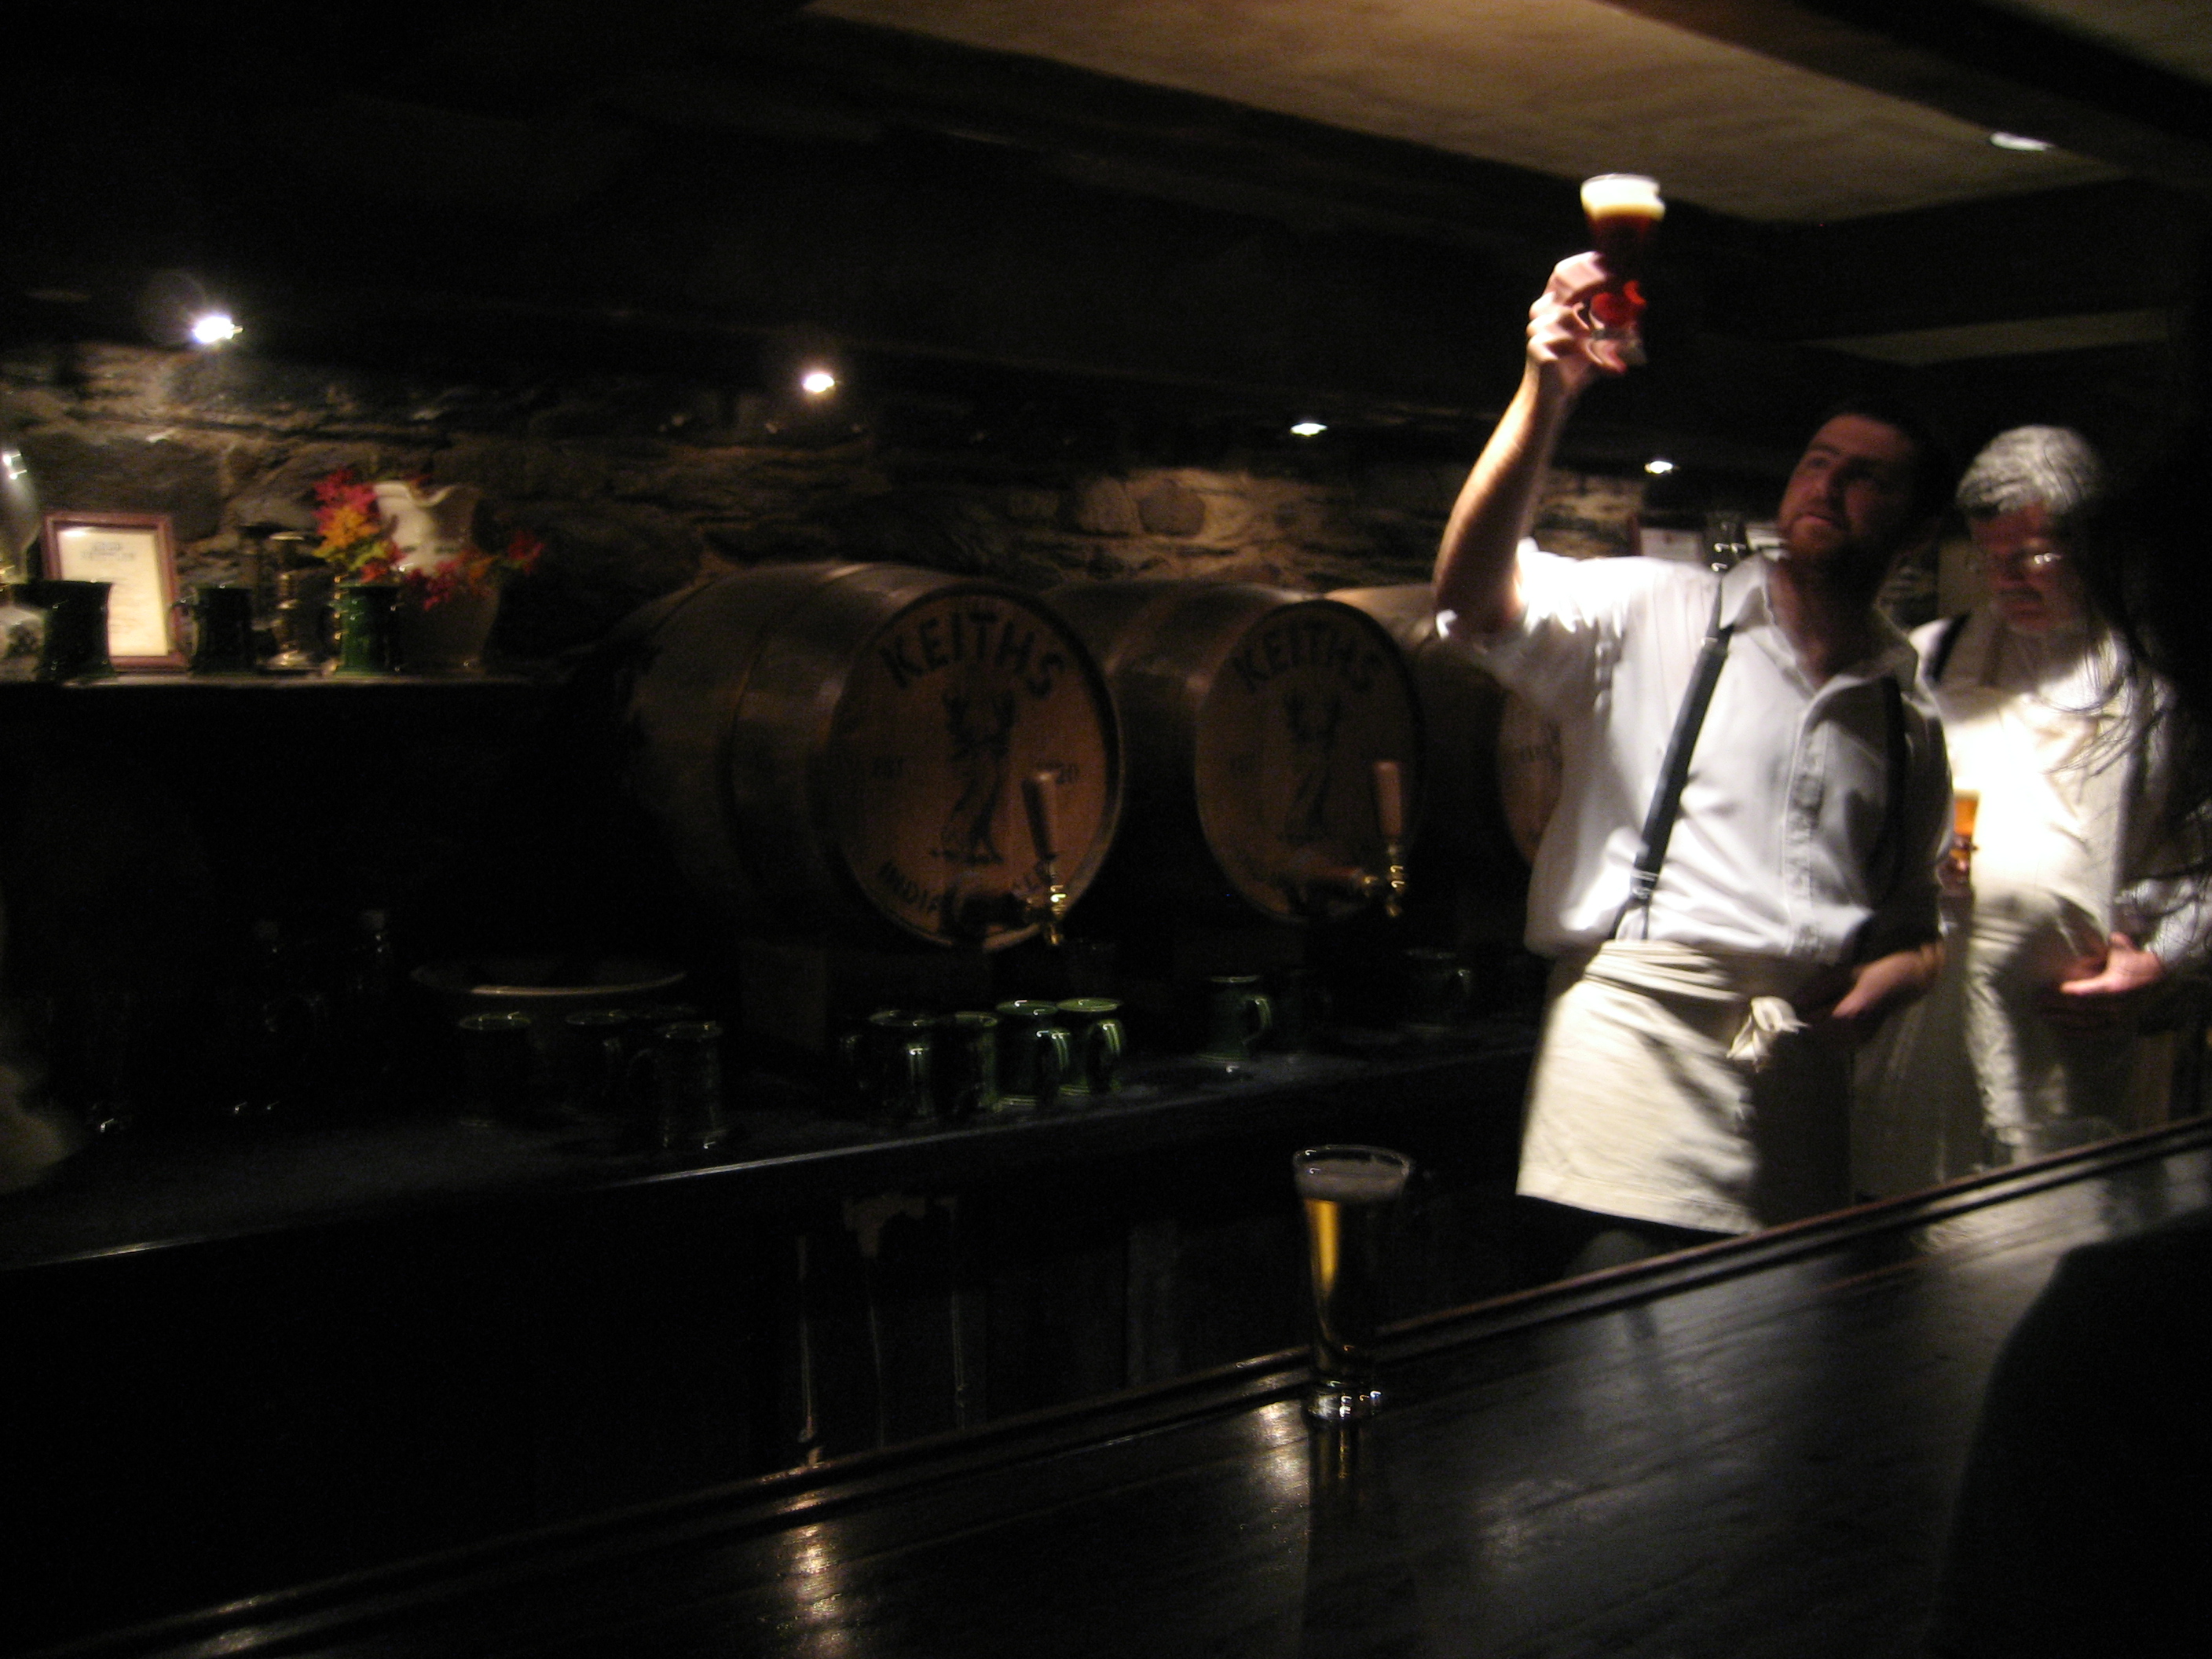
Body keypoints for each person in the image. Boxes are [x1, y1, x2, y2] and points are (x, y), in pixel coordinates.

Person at [1433, 252, 1954, 1274]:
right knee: (1620, 1349)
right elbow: (1468, 601)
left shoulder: (1907, 713)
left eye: (1866, 478)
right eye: (1817, 461)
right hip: (1630, 1064)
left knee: (1772, 1367)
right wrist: (1545, 395)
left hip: (1795, 1092)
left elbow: (1913, 925)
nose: (1826, 484)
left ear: (1917, 528)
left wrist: (1899, 974)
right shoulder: (1651, 610)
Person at [1854, 427, 2207, 1196]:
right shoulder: (1932, 656)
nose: (2004, 580)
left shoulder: (2157, 679)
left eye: (2030, 556)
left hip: (2067, 1031)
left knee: (2048, 1218)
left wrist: (2162, 960)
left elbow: (2202, 859)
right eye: (1988, 559)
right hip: (1927, 1020)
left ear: (2092, 545)